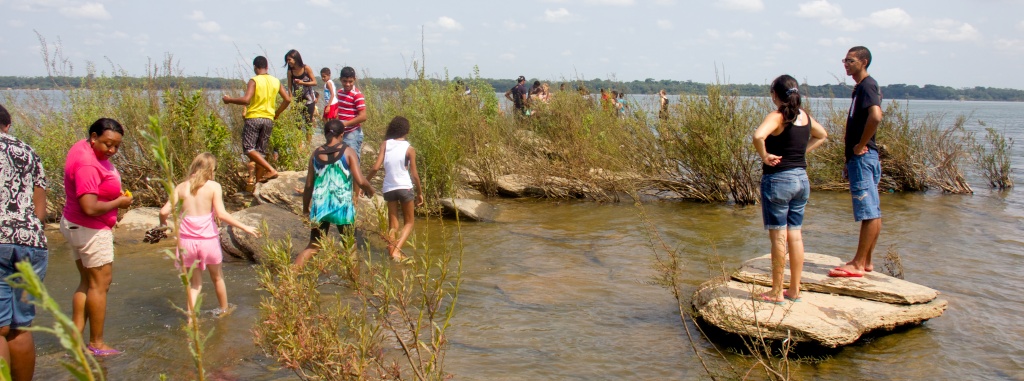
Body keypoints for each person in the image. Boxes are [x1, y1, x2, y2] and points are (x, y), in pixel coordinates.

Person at [751, 75, 828, 303]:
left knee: (778, 237)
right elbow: (822, 135)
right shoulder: (804, 116)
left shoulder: (778, 116)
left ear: (775, 94)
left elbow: (758, 136)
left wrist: (764, 156)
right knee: (795, 235)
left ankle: (776, 291)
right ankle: (794, 290)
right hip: (801, 179)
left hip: (779, 180)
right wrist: (802, 153)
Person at [61, 118, 133, 357]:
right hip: (90, 228)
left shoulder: (81, 147)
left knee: (87, 282)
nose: (111, 150)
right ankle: (97, 343)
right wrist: (119, 202)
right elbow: (89, 207)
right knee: (101, 285)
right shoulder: (88, 164)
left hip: (74, 225)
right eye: (106, 144)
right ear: (93, 137)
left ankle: (75, 339)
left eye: (116, 146)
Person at [159, 153, 260, 320]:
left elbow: (164, 211)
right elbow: (221, 214)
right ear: (210, 170)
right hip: (208, 241)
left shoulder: (181, 187)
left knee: (195, 285)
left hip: (187, 244)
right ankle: (224, 310)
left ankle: (191, 321)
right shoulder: (213, 187)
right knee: (217, 278)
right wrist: (245, 227)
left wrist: (164, 225)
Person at [0, 104, 48, 380]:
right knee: (20, 325)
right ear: (7, 126)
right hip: (31, 241)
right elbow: (39, 209)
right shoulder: (28, 151)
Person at [829, 46, 884, 278]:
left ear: (864, 61)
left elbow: (876, 116)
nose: (846, 64)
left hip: (864, 156)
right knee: (873, 210)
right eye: (845, 60)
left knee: (868, 211)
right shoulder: (861, 87)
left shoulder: (868, 86)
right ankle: (866, 261)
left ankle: (859, 263)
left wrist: (861, 145)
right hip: (860, 158)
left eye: (850, 60)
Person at [294, 120, 375, 269]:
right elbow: (360, 180)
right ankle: (354, 288)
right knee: (350, 247)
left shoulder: (316, 153)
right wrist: (370, 190)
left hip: (320, 206)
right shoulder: (348, 152)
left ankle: (289, 278)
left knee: (313, 245)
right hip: (342, 207)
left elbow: (308, 185)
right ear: (342, 134)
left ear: (325, 134)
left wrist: (306, 208)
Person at [223, 56, 292, 187]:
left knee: (248, 149)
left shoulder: (254, 80)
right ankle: (258, 184)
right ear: (267, 67)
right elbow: (287, 99)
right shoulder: (275, 81)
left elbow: (246, 100)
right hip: (268, 120)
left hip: (254, 118)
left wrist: (229, 99)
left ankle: (271, 170)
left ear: (255, 67)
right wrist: (277, 113)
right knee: (260, 152)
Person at [367, 116, 424, 261]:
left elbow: (375, 167)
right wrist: (420, 193)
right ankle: (396, 250)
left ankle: (391, 249)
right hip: (405, 187)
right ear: (407, 131)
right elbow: (415, 175)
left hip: (389, 188)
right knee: (409, 223)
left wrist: (365, 182)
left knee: (393, 224)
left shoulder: (385, 144)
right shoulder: (409, 148)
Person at [335, 66, 368, 161]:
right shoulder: (340, 93)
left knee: (353, 160)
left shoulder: (357, 95)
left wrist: (344, 124)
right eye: (345, 81)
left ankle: (355, 176)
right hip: (342, 132)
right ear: (341, 80)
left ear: (354, 80)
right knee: (342, 159)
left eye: (350, 81)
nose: (347, 84)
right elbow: (340, 110)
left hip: (353, 132)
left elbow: (363, 116)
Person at [285, 49, 318, 130]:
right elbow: (289, 86)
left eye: (289, 60)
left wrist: (302, 83)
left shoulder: (306, 68)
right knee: (298, 124)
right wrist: (290, 98)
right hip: (297, 100)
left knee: (308, 124)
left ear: (296, 59)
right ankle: (299, 143)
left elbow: (314, 82)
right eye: (287, 60)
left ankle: (308, 143)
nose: (288, 62)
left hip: (309, 99)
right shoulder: (290, 71)